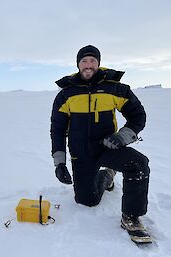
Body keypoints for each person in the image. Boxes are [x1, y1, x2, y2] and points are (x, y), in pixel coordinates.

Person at [50, 45, 151, 241]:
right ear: (78, 64)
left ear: (99, 63)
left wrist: (122, 137)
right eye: (84, 61)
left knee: (139, 164)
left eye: (93, 61)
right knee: (87, 200)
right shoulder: (66, 94)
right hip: (81, 152)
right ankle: (107, 175)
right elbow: (58, 130)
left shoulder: (115, 88)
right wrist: (59, 162)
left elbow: (138, 115)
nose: (89, 65)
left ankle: (131, 217)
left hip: (108, 147)